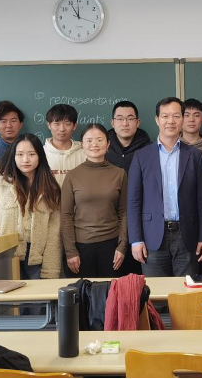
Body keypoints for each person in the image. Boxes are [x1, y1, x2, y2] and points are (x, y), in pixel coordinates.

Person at [127, 97, 202, 277]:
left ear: (182, 119)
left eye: (176, 116)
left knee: (186, 290)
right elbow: (133, 201)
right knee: (155, 292)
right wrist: (136, 239)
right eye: (165, 116)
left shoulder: (196, 156)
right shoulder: (141, 156)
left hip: (187, 236)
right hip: (152, 236)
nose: (170, 121)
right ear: (157, 120)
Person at [0, 134, 63, 280]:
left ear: (40, 156)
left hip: (37, 258)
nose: (25, 160)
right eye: (20, 154)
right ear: (13, 156)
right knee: (9, 294)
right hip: (4, 257)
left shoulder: (51, 189)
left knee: (37, 294)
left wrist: (50, 270)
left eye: (31, 154)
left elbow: (54, 234)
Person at [61, 124, 128, 278]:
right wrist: (70, 251)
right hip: (81, 247)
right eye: (89, 140)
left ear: (108, 144)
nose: (94, 144)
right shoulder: (72, 176)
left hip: (112, 246)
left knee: (110, 291)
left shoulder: (119, 174)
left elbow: (124, 212)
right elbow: (66, 216)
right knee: (84, 292)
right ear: (82, 145)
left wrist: (122, 246)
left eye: (99, 140)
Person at [44, 104, 86, 185]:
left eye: (67, 124)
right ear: (49, 125)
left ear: (74, 126)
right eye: (57, 124)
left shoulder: (84, 154)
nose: (62, 129)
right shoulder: (41, 153)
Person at [107, 100, 151, 173]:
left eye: (130, 119)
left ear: (137, 122)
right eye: (120, 119)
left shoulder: (149, 149)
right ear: (112, 123)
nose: (125, 124)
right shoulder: (103, 148)